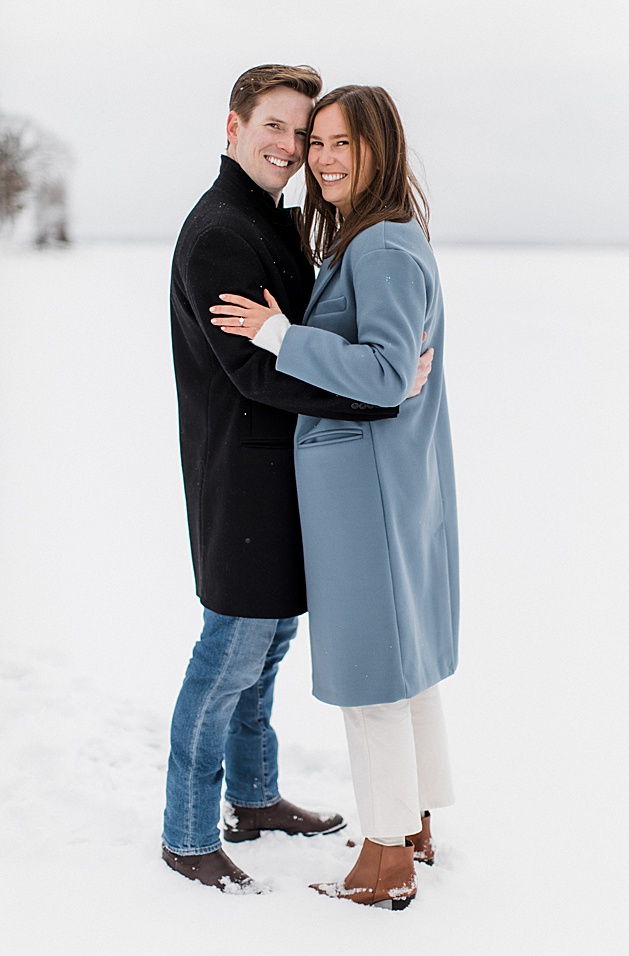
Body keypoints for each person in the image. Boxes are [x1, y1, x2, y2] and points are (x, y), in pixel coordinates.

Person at [166, 64, 428, 893]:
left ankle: (253, 796)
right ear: (234, 126)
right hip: (241, 478)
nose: (293, 147)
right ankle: (185, 832)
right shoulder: (220, 234)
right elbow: (253, 371)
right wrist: (379, 398)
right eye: (275, 127)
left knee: (269, 649)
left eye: (304, 132)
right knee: (231, 654)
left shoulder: (270, 223)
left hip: (285, 476)